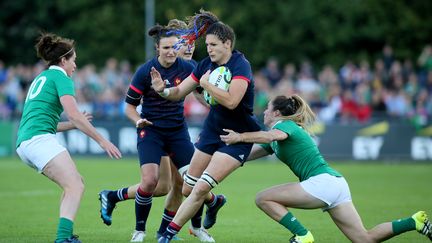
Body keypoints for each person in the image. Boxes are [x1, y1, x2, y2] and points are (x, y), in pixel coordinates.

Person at [220, 94, 432, 243]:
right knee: (364, 239)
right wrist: (218, 158)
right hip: (336, 184)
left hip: (322, 183)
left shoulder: (284, 126)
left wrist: (240, 136)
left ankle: (302, 235)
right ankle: (413, 222)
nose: (264, 111)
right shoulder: (278, 136)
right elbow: (245, 156)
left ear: (276, 112)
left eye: (267, 108)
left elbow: (270, 136)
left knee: (263, 198)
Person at [98, 22, 214, 243]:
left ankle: (181, 228)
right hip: (151, 131)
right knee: (152, 182)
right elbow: (128, 106)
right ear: (157, 49)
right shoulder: (145, 71)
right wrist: (137, 119)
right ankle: (140, 231)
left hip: (178, 132)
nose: (171, 51)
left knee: (188, 183)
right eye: (166, 48)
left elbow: (201, 95)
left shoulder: (189, 68)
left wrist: (217, 105)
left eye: (174, 47)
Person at [153, 9, 261, 242]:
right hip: (212, 131)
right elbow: (180, 92)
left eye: (213, 44)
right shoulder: (204, 65)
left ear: (227, 44)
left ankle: (167, 235)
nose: (209, 48)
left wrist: (207, 85)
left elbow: (232, 101)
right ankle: (214, 204)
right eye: (207, 44)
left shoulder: (240, 65)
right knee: (187, 189)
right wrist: (164, 89)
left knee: (201, 188)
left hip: (238, 135)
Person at [15, 32, 122, 243]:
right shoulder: (60, 77)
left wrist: (73, 125)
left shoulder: (42, 77)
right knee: (75, 186)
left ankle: (65, 235)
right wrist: (102, 140)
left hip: (27, 142)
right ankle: (63, 238)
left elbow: (49, 122)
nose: (75, 65)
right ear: (63, 60)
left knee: (74, 183)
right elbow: (73, 113)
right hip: (38, 141)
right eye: (73, 60)